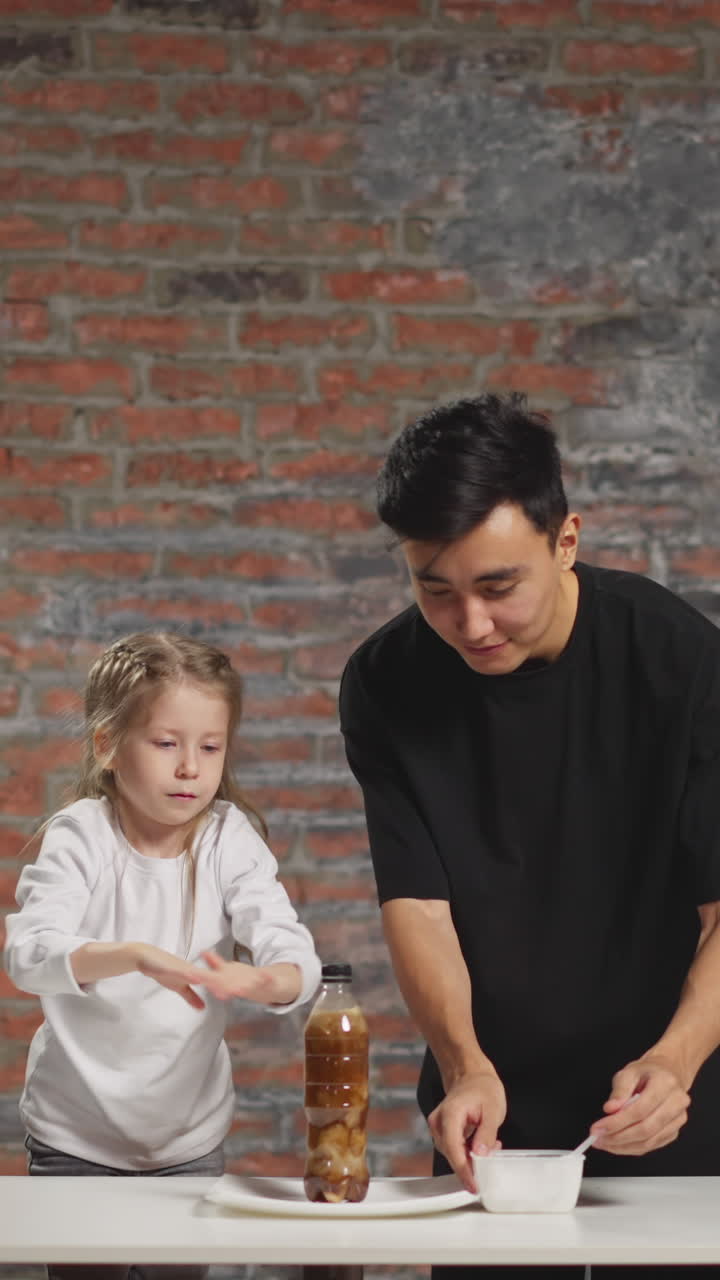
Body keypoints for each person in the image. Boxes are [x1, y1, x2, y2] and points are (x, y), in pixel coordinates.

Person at [340, 392, 720, 1280]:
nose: (470, 625)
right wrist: (464, 1064)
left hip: (676, 1084)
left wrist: (677, 1059)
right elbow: (419, 908)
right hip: (493, 1110)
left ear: (567, 540)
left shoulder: (681, 661)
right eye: (436, 591)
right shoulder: (385, 683)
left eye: (498, 587)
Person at [4, 631, 321, 1280]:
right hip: (77, 1134)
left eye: (210, 747)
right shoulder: (81, 836)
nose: (190, 768)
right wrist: (137, 956)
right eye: (166, 744)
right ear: (109, 746)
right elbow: (29, 953)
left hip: (187, 1139)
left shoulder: (229, 838)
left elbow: (295, 958)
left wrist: (263, 978)